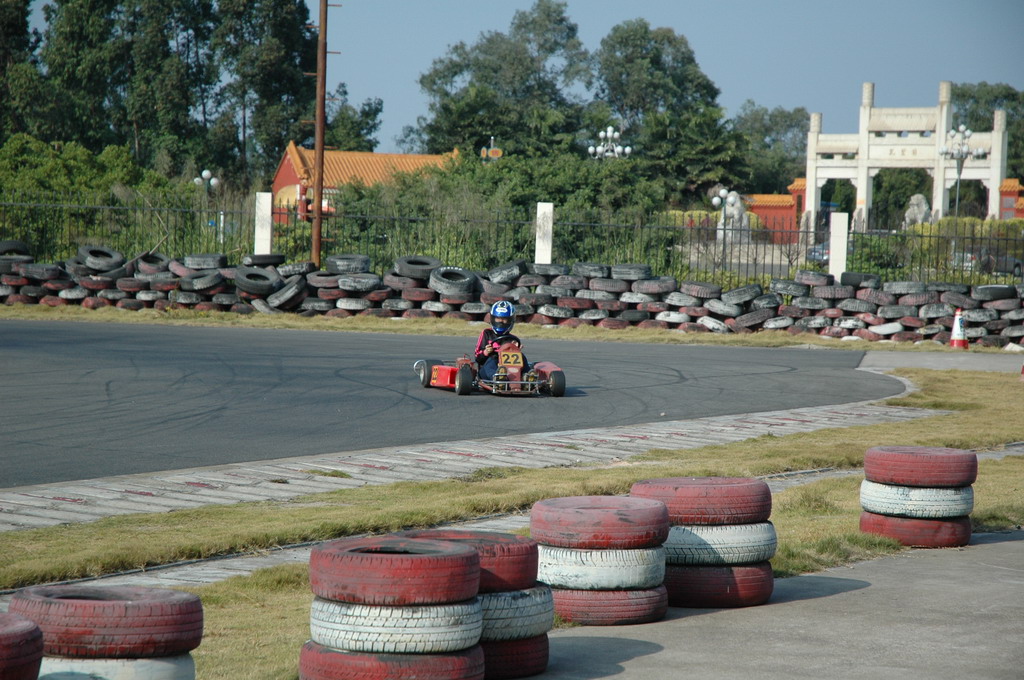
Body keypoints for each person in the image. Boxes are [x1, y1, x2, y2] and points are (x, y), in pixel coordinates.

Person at [474, 300, 528, 381]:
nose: (500, 322)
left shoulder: (512, 339)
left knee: (522, 356)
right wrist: (486, 352)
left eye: (504, 319)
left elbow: (513, 359)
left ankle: (527, 376)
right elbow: (477, 358)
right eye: (498, 319)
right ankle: (497, 377)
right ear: (493, 319)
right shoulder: (487, 333)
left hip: (508, 369)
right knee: (491, 361)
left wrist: (517, 351)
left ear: (511, 320)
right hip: (486, 367)